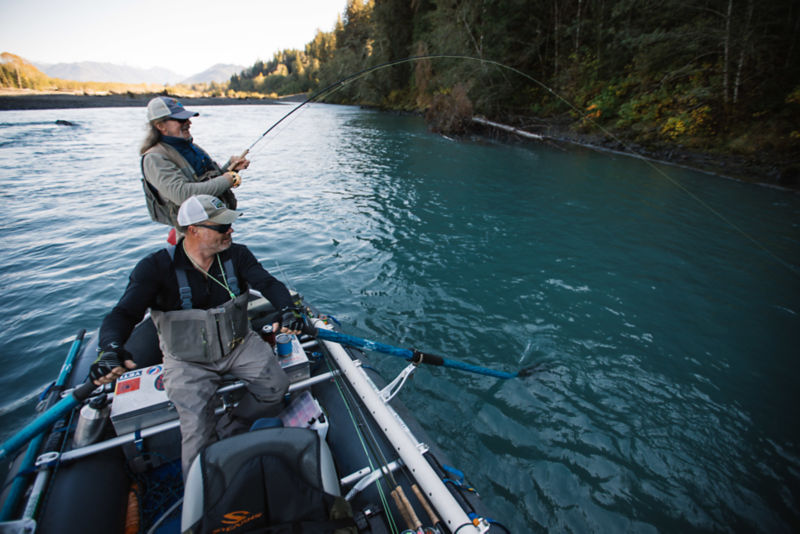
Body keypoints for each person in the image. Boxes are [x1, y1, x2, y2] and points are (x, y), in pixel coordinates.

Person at [91, 194, 303, 476]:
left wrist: (288, 310)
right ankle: (201, 496)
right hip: (186, 360)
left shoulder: (238, 255)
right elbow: (123, 314)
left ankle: (232, 425)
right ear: (193, 229)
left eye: (229, 225)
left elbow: (267, 283)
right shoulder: (154, 268)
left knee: (276, 386)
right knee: (197, 431)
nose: (230, 231)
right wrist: (110, 348)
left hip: (239, 344)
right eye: (221, 227)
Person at [140, 96, 250, 236]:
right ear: (160, 126)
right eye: (181, 120)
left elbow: (211, 182)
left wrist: (232, 167)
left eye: (187, 118)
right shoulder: (155, 158)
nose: (188, 123)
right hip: (195, 234)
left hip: (217, 224)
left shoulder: (192, 147)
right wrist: (227, 179)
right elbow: (182, 194)